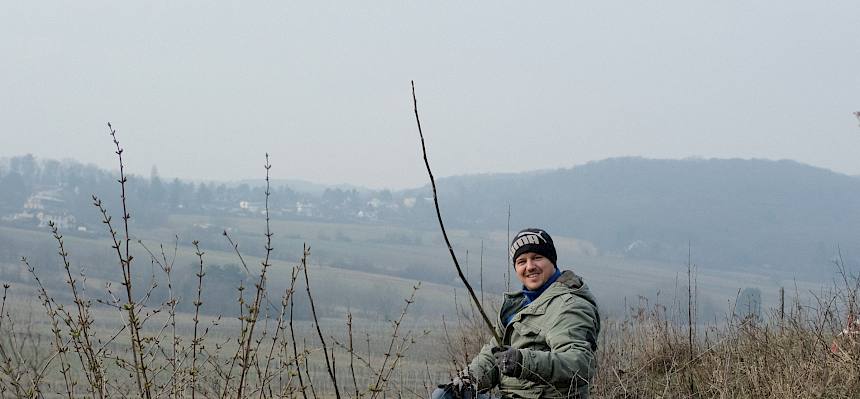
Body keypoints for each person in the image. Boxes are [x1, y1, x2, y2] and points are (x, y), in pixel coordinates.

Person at [432, 228, 601, 399]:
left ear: (552, 261)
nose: (530, 266)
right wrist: (469, 379)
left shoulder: (569, 305)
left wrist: (522, 362)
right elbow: (493, 355)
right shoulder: (518, 305)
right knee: (444, 395)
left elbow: (579, 364)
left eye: (537, 257)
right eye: (522, 261)